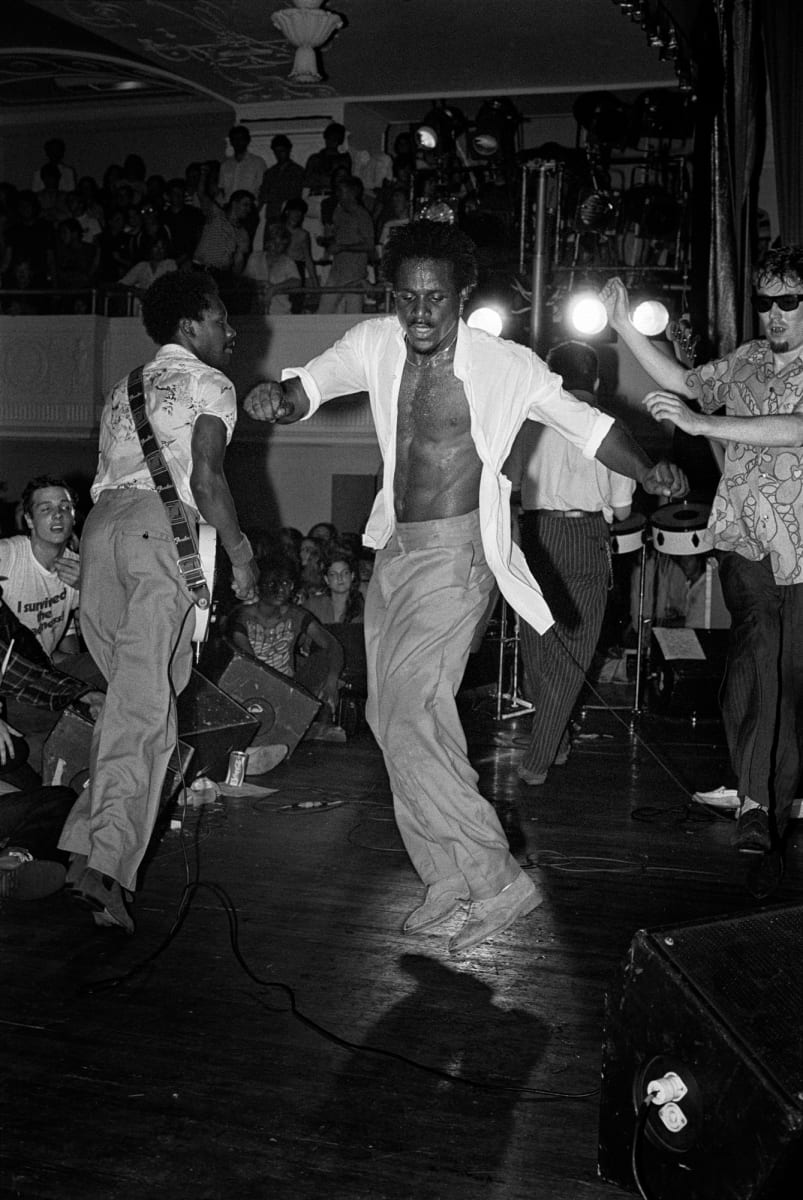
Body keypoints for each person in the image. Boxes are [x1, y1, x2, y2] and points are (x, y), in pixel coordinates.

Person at [243, 220, 687, 954]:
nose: (420, 314)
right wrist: (278, 401)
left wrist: (646, 470)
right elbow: (308, 387)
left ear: (459, 299)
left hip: (458, 555)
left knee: (415, 709)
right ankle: (443, 874)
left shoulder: (503, 364)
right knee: (393, 720)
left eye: (436, 300)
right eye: (407, 298)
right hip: (396, 551)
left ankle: (494, 879)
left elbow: (583, 425)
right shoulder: (373, 343)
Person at [57, 270, 258, 934]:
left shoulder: (123, 387)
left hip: (101, 535)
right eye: (221, 318)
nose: (231, 331)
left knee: (135, 707)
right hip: (154, 535)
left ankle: (83, 845)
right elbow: (206, 474)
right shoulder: (211, 385)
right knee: (143, 714)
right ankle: (107, 871)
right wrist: (240, 549)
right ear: (188, 327)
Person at [602, 248, 803, 895]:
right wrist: (624, 326)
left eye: (788, 302)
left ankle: (781, 792)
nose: (773, 315)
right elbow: (688, 383)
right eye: (765, 302)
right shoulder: (744, 359)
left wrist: (697, 423)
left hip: (801, 541)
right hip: (745, 535)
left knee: (792, 672)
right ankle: (755, 804)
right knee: (756, 653)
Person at [504, 340, 636, 787]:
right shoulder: (608, 426)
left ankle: (552, 743)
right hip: (584, 537)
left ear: (552, 376)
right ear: (596, 381)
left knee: (539, 651)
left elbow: (512, 482)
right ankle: (539, 758)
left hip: (535, 536)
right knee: (573, 656)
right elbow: (621, 509)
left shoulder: (531, 421)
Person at [227, 556, 343, 716]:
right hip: (250, 688)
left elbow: (333, 646)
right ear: (259, 586)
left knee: (322, 659)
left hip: (289, 690)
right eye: (273, 584)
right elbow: (249, 663)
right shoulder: (243, 616)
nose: (281, 590)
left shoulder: (296, 615)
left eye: (286, 584)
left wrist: (331, 682)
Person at [0, 475, 81, 663]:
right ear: (29, 520)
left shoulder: (78, 566)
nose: (58, 514)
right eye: (46, 509)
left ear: (74, 517)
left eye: (65, 507)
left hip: (42, 670)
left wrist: (86, 587)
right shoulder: (9, 555)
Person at [316, 176, 375, 314]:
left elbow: (369, 245)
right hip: (337, 272)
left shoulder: (362, 216)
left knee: (351, 320)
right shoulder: (338, 212)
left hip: (355, 275)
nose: (337, 194)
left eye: (341, 191)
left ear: (352, 192)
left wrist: (343, 247)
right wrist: (326, 241)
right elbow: (338, 239)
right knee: (323, 314)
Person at [242, 222, 301, 314]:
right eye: (274, 242)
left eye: (281, 244)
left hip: (281, 313)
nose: (276, 247)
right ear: (268, 242)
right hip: (256, 313)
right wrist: (257, 283)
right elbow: (244, 279)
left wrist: (274, 288)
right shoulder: (255, 257)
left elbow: (297, 281)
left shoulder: (288, 262)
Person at [259, 135, 305, 224]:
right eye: (276, 152)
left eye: (282, 151)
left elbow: (295, 194)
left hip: (290, 216)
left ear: (288, 150)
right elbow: (263, 194)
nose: (279, 155)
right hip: (272, 214)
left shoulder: (297, 171)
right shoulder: (270, 172)